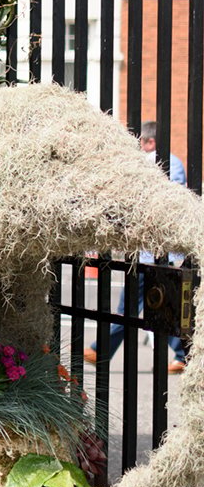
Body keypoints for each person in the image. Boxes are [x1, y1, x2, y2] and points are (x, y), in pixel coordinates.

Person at [85, 120, 189, 374]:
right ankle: (182, 355)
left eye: (140, 141)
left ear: (149, 142)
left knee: (134, 307)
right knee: (162, 306)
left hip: (154, 252)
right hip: (147, 251)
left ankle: (101, 350)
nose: (138, 146)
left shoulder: (163, 163)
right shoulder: (165, 162)